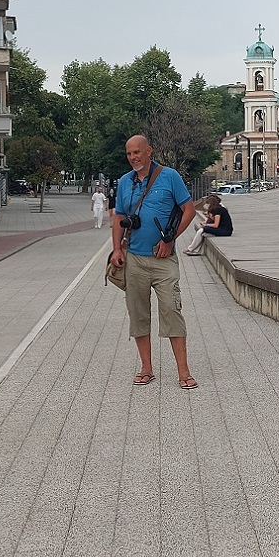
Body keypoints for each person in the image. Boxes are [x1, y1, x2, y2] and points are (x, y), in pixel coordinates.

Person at [110, 135, 198, 389]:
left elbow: (189, 210)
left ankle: (184, 371)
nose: (133, 157)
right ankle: (146, 368)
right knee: (138, 314)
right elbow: (119, 218)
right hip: (134, 258)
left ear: (149, 151)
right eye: (128, 154)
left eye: (137, 152)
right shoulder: (125, 182)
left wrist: (171, 240)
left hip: (163, 259)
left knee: (172, 310)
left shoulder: (169, 176)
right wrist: (116, 249)